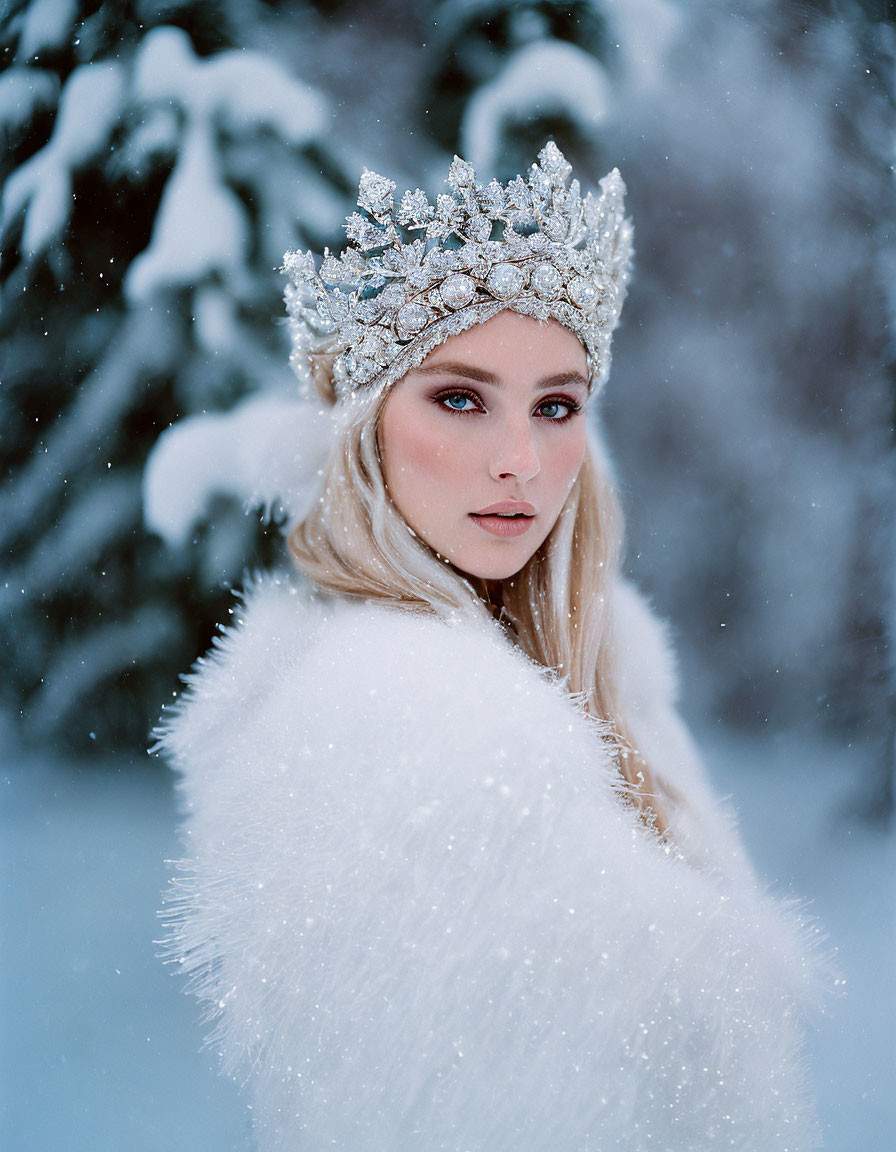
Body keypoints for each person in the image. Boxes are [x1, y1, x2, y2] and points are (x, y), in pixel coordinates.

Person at [158, 143, 821, 1150]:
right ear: (364, 429)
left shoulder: (595, 674)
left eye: (554, 406)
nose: (520, 462)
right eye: (459, 397)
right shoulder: (405, 725)